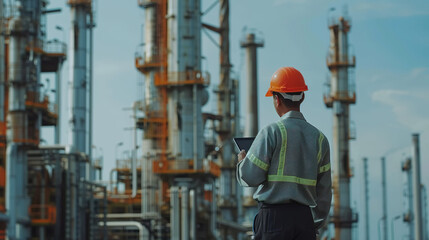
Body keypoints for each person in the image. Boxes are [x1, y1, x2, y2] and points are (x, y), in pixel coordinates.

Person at [236, 67, 332, 240]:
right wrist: (312, 223)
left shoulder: (271, 132)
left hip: (273, 219)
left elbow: (250, 177)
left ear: (276, 99)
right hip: (305, 221)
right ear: (302, 96)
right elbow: (324, 193)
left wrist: (243, 162)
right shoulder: (320, 140)